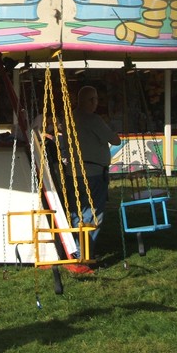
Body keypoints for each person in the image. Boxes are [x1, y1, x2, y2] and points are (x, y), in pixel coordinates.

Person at [67, 86, 121, 251]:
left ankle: (76, 248)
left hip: (72, 172)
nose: (96, 103)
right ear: (89, 101)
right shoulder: (93, 120)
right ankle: (84, 251)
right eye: (94, 99)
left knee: (76, 211)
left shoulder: (69, 118)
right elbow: (115, 140)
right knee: (93, 212)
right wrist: (113, 131)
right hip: (93, 173)